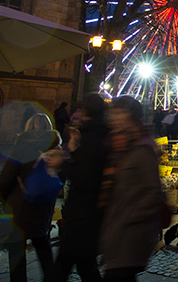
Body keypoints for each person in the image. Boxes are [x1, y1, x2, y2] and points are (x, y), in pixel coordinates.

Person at [98, 96, 162, 282]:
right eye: (113, 112)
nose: (114, 117)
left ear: (132, 117)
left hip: (131, 234)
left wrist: (129, 216)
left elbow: (153, 191)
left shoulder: (141, 149)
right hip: (118, 232)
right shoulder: (118, 147)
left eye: (120, 113)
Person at [0, 113, 63, 282]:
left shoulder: (21, 147)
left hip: (20, 207)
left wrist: (3, 198)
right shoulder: (56, 149)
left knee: (16, 254)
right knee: (43, 249)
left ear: (29, 127)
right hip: (43, 207)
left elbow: (6, 178)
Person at [56, 95, 109, 282]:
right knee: (85, 266)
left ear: (86, 111)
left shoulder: (89, 137)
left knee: (67, 265)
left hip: (82, 213)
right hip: (89, 214)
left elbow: (85, 176)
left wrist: (72, 152)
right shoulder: (101, 133)